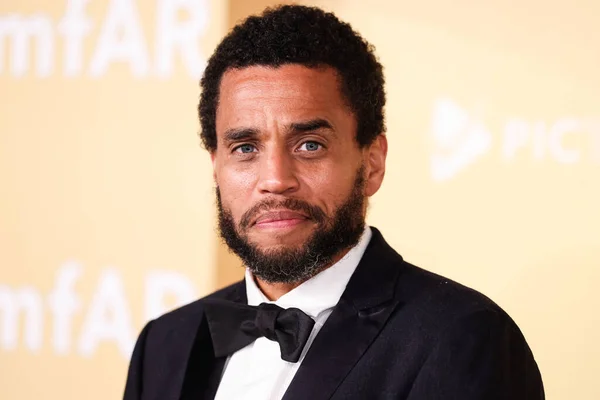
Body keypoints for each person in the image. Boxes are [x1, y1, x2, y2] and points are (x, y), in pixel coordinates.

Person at [123, 5, 544, 400]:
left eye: (310, 144)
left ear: (372, 162)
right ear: (216, 167)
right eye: (245, 148)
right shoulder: (164, 344)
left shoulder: (463, 339)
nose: (275, 180)